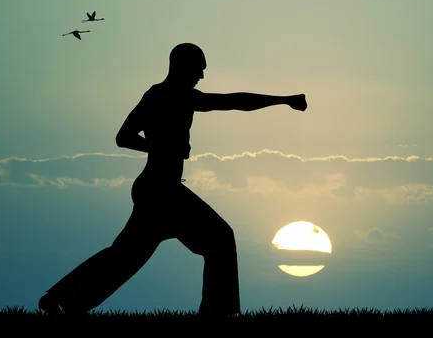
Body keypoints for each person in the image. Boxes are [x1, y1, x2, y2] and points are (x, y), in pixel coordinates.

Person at [38, 42, 308, 318]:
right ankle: (217, 314)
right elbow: (125, 136)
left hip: (159, 189)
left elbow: (231, 102)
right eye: (199, 69)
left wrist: (282, 100)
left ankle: (62, 300)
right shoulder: (168, 96)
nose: (201, 76)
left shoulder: (169, 95)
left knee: (126, 255)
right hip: (161, 191)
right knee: (219, 239)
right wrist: (284, 100)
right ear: (182, 66)